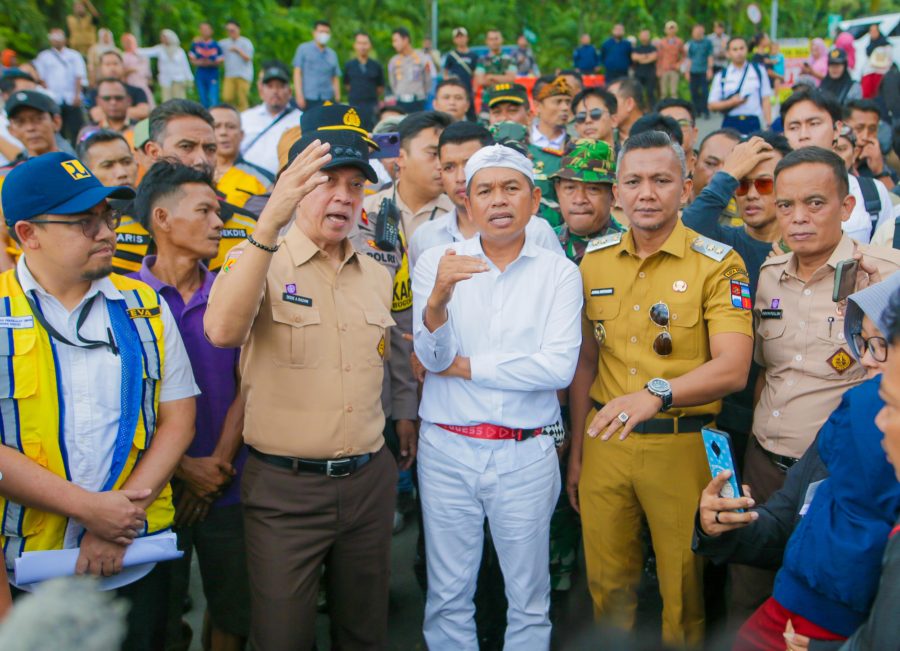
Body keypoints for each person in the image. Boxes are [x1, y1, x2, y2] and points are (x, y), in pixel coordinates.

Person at [204, 105, 397, 650]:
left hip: (367, 484)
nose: (343, 195)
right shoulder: (258, 257)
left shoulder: (376, 275)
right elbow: (220, 331)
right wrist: (268, 225)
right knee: (283, 638)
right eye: (326, 181)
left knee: (364, 633)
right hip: (286, 491)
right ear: (292, 187)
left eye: (355, 184)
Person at [0, 151, 198, 649]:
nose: (106, 232)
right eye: (83, 223)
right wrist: (90, 510)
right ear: (27, 234)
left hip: (135, 560)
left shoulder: (144, 304)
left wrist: (117, 522)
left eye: (107, 217)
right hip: (29, 571)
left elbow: (178, 419)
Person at [570, 130, 753, 647]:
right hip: (606, 442)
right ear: (618, 192)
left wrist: (657, 393)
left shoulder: (719, 262)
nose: (647, 193)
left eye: (661, 180)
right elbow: (587, 360)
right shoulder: (594, 260)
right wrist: (578, 453)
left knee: (684, 593)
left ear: (686, 187)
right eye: (634, 181)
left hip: (682, 445)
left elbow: (734, 368)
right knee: (607, 587)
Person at [412, 142, 582, 650]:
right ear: (468, 202)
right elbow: (432, 356)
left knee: (528, 599)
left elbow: (557, 367)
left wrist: (466, 366)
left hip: (526, 452)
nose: (498, 200)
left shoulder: (560, 274)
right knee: (448, 595)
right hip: (446, 448)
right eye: (485, 190)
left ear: (534, 200)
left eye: (511, 188)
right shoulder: (439, 264)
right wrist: (439, 299)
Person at [737, 146, 900, 622]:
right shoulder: (768, 277)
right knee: (749, 597)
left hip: (840, 477)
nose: (798, 218)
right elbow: (767, 373)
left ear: (846, 208)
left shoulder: (885, 277)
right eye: (785, 205)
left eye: (815, 203)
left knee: (826, 612)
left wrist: (871, 302)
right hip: (764, 464)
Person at [694, 275, 900, 650]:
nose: (866, 359)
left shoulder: (864, 409)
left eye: (883, 344)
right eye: (864, 342)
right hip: (789, 614)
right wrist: (722, 524)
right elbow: (788, 516)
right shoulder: (852, 413)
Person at [132, 161, 249, 651]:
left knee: (235, 614)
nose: (218, 222)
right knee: (157, 619)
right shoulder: (123, 299)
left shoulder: (231, 290)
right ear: (161, 218)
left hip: (232, 482)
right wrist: (183, 470)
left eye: (217, 211)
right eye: (203, 210)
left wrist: (216, 466)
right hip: (154, 490)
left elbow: (252, 382)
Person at [113, 99, 257, 275]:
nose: (201, 160)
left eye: (210, 149)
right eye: (186, 147)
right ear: (154, 152)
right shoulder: (112, 225)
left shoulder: (247, 229)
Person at [409, 121, 561, 269]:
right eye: (449, 167)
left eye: (469, 165)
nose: (460, 177)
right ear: (440, 173)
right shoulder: (424, 238)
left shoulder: (536, 231)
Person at [780, 89, 894, 243]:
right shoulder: (770, 192)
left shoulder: (871, 193)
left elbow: (886, 260)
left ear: (837, 130)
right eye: (794, 127)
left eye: (814, 124)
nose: (803, 135)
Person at [0, 91, 65, 270]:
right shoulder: (6, 177)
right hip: (23, 273)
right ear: (11, 130)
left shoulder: (76, 169)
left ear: (56, 122)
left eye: (37, 119)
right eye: (21, 122)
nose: (30, 128)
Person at [364, 110, 453, 239]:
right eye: (433, 153)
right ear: (400, 157)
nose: (441, 165)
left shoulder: (461, 216)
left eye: (444, 156)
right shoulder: (366, 210)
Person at [551, 138, 624, 261]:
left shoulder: (631, 248)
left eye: (593, 189)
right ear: (558, 191)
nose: (579, 199)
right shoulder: (543, 244)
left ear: (613, 195)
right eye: (570, 188)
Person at [240, 63, 302, 178]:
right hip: (245, 183)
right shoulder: (245, 118)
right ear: (261, 91)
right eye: (270, 86)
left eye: (280, 86)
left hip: (284, 183)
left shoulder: (301, 120)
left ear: (289, 92)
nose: (275, 91)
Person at [530, 77, 575, 228]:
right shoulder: (521, 144)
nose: (565, 107)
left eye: (568, 102)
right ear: (538, 106)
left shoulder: (575, 146)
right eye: (558, 101)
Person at [210, 104, 272, 207]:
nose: (223, 132)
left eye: (231, 127)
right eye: (216, 126)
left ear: (241, 135)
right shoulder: (195, 174)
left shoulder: (263, 179)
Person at [708, 36, 772, 135]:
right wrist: (731, 102)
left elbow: (766, 99)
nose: (739, 52)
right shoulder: (721, 75)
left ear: (747, 50)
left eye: (742, 48)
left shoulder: (758, 70)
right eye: (735, 49)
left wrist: (768, 124)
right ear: (728, 53)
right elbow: (711, 105)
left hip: (753, 122)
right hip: (730, 122)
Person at [33, 28, 87, 144]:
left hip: (71, 97)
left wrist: (77, 95)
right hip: (54, 98)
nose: (57, 41)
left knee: (76, 127)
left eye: (59, 38)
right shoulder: (44, 57)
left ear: (65, 40)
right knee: (57, 128)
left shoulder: (74, 55)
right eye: (54, 38)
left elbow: (79, 76)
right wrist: (48, 95)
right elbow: (41, 78)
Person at [86, 51, 151, 123]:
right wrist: (127, 111)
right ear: (101, 68)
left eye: (115, 64)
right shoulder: (94, 92)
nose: (112, 68)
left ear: (122, 66)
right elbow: (96, 115)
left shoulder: (137, 91)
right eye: (107, 64)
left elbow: (143, 112)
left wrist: (108, 112)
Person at [845, 98, 895, 190]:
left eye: (872, 129)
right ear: (843, 127)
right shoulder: (829, 162)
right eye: (859, 128)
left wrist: (880, 171)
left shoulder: (885, 169)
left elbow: (894, 203)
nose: (865, 137)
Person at [292, 20, 340, 110]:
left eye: (327, 32)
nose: (324, 34)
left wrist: (337, 98)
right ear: (314, 32)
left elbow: (335, 77)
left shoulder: (332, 54)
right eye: (321, 31)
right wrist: (299, 95)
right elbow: (297, 73)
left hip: (327, 98)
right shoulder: (303, 49)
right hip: (308, 97)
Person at [343, 31, 384, 130]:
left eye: (365, 43)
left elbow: (380, 88)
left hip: (371, 106)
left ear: (370, 45)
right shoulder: (349, 65)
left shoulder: (376, 66)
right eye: (359, 43)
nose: (362, 46)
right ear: (355, 45)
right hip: (354, 107)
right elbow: (347, 85)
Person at [139, 30, 194, 102]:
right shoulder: (160, 49)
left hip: (178, 79)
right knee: (166, 100)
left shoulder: (179, 51)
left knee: (179, 100)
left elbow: (185, 66)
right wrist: (134, 50)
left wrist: (190, 78)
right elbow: (148, 52)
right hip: (165, 80)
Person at [388, 28, 431, 113]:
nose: (394, 44)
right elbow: (392, 83)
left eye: (396, 40)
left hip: (417, 102)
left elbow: (428, 81)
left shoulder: (422, 58)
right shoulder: (393, 61)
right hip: (400, 103)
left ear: (405, 40)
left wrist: (422, 95)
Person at [219, 20, 254, 113]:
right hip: (229, 74)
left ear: (238, 29)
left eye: (232, 30)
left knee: (242, 99)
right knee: (227, 97)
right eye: (228, 30)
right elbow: (213, 48)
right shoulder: (224, 43)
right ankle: (232, 115)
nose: (231, 32)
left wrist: (237, 50)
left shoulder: (246, 42)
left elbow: (248, 58)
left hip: (243, 75)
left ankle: (244, 117)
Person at [656, 97, 699, 170]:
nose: (675, 130)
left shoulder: (710, 171)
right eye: (666, 125)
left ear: (695, 134)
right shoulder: (647, 173)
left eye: (682, 123)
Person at [189, 23, 223, 109]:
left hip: (212, 74)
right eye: (203, 29)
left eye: (207, 29)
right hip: (201, 73)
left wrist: (209, 62)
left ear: (211, 31)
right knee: (203, 98)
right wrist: (201, 62)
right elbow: (192, 59)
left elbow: (220, 60)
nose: (205, 32)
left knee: (213, 98)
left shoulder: (216, 45)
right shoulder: (196, 44)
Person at [120, 33, 154, 110]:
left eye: (130, 41)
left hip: (143, 83)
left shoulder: (142, 54)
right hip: (131, 83)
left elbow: (148, 71)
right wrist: (128, 71)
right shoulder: (123, 56)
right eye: (126, 41)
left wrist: (150, 82)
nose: (128, 43)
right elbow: (121, 73)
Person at [686, 24, 714, 118]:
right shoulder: (691, 43)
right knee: (694, 92)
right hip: (693, 70)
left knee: (705, 91)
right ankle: (697, 111)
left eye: (699, 31)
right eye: (695, 31)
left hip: (703, 70)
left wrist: (710, 69)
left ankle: (706, 110)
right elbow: (689, 58)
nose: (697, 33)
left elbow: (710, 56)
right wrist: (687, 71)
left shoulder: (707, 42)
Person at [607, 77, 645, 142]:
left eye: (611, 101)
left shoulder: (656, 135)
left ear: (629, 104)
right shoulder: (608, 140)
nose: (606, 107)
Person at [656, 21, 684, 99]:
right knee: (663, 92)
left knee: (673, 92)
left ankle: (674, 109)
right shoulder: (662, 42)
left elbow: (684, 55)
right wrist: (658, 69)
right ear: (666, 30)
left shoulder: (679, 42)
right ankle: (662, 109)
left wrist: (679, 64)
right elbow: (659, 57)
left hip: (674, 69)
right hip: (664, 69)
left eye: (673, 28)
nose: (671, 30)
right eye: (669, 28)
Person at [631, 29, 658, 108]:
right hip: (638, 73)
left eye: (646, 35)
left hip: (650, 73)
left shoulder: (653, 48)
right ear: (640, 36)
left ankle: (653, 110)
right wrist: (647, 57)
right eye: (643, 35)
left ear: (649, 36)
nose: (645, 37)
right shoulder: (636, 48)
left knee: (650, 93)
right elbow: (634, 57)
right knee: (638, 93)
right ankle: (640, 109)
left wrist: (641, 58)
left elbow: (654, 57)